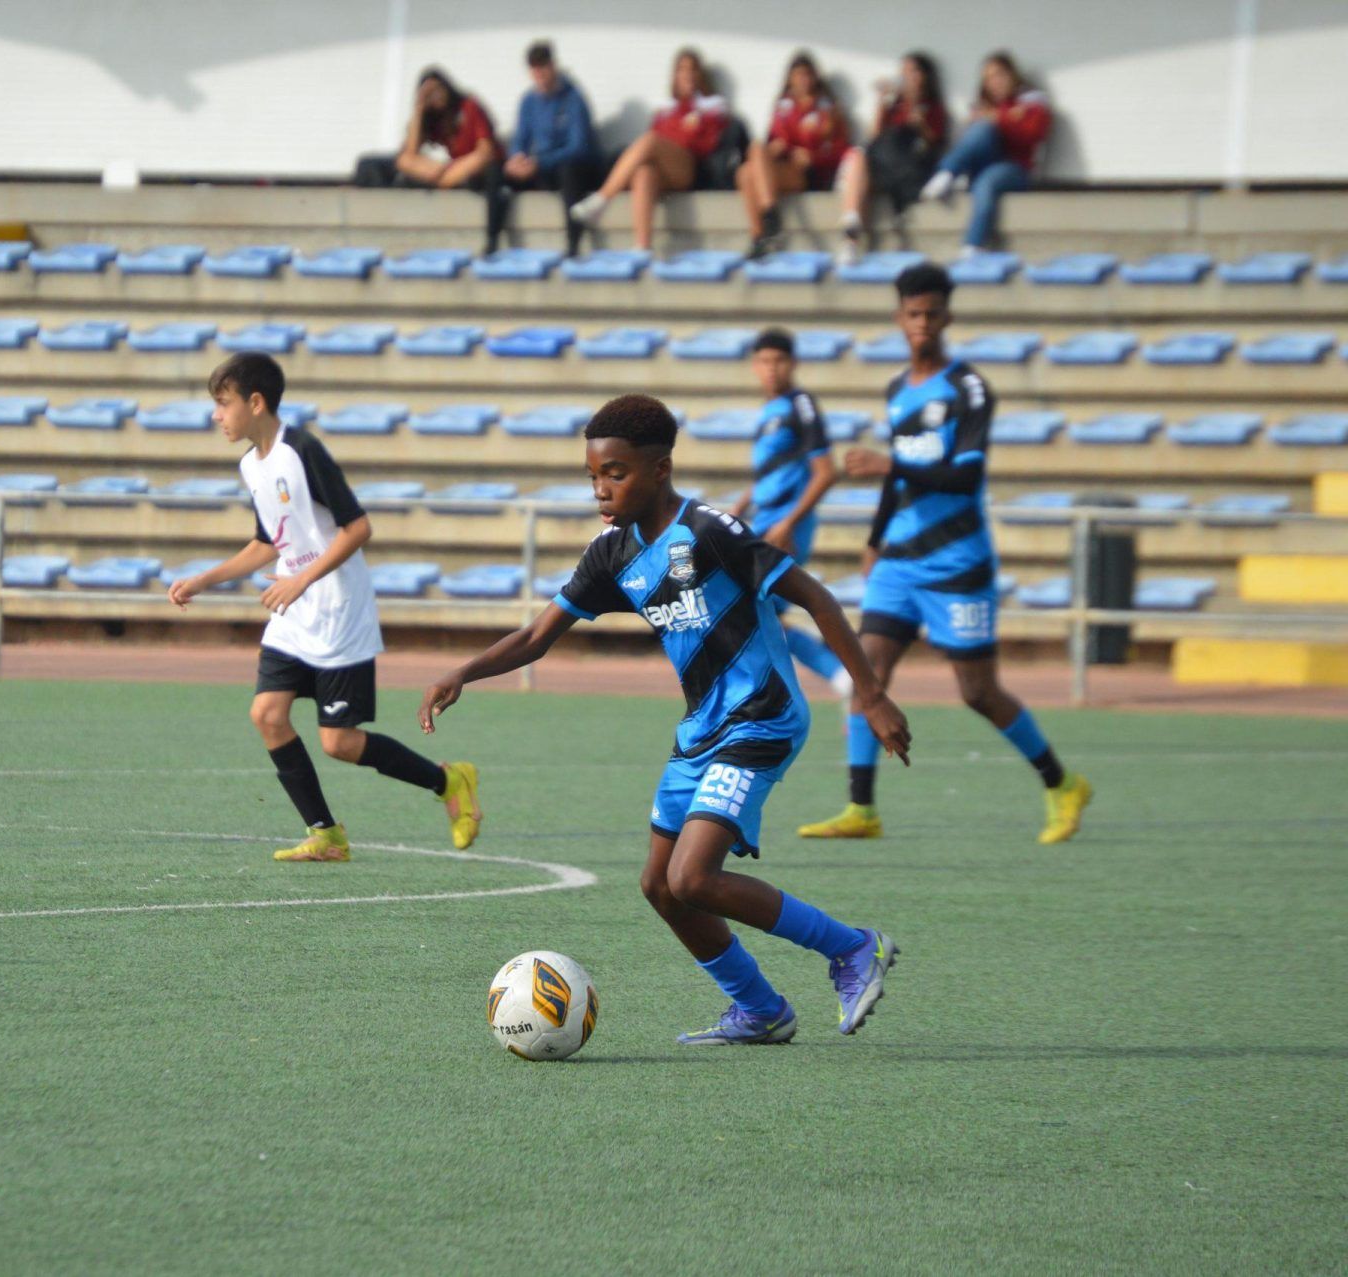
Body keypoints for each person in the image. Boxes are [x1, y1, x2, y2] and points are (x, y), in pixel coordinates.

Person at [419, 394, 911, 1046]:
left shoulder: (710, 531)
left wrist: (871, 695)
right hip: (701, 729)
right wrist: (464, 672)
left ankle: (852, 948)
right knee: (660, 885)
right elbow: (539, 635)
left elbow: (814, 595)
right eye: (593, 474)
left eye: (615, 472)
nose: (601, 488)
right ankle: (761, 1009)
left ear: (660, 468)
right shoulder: (612, 552)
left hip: (762, 716)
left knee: (692, 876)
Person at [799, 263, 1092, 845]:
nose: (923, 325)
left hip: (958, 564)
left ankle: (1062, 783)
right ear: (899, 318)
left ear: (948, 317)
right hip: (900, 563)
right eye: (913, 315)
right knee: (868, 672)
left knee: (976, 691)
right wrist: (875, 540)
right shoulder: (896, 390)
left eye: (933, 314)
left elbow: (965, 477)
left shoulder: (969, 389)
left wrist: (890, 464)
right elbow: (897, 480)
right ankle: (862, 807)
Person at [168, 353, 483, 862]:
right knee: (267, 714)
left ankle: (449, 781)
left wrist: (301, 580)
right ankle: (326, 833)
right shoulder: (251, 464)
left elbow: (358, 528)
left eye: (222, 404)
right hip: (294, 612)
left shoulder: (303, 450)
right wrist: (205, 579)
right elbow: (268, 542)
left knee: (339, 742)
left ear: (256, 402)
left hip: (339, 610)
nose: (215, 415)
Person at [729, 328, 851, 699]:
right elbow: (772, 473)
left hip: (785, 527)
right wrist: (741, 505)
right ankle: (839, 678)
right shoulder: (769, 412)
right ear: (755, 366)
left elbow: (826, 471)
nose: (772, 369)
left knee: (752, 610)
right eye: (765, 361)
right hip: (766, 522)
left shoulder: (801, 405)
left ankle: (839, 678)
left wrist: (788, 522)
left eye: (779, 361)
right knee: (758, 612)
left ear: (793, 363)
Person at [568, 49, 741, 251]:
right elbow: (661, 140)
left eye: (692, 69)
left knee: (650, 141)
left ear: (700, 75)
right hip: (667, 167)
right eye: (682, 70)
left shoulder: (712, 105)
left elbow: (704, 143)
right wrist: (681, 130)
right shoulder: (666, 109)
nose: (688, 75)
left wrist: (680, 133)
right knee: (644, 172)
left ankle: (602, 198)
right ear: (675, 76)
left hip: (693, 167)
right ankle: (642, 246)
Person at [916, 52, 1051, 254]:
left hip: (1016, 167)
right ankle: (946, 174)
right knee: (981, 129)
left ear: (1012, 75)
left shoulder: (1032, 101)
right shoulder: (984, 106)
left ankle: (972, 245)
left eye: (999, 75)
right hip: (983, 163)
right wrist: (981, 121)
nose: (994, 82)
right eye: (988, 78)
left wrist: (999, 118)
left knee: (986, 181)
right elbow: (968, 143)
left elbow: (1032, 135)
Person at [485, 40, 601, 258]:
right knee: (496, 170)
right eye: (535, 70)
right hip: (539, 168)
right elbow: (521, 138)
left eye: (543, 68)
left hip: (568, 167)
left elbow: (578, 147)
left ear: (553, 66)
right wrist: (517, 159)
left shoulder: (574, 98)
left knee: (570, 170)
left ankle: (573, 244)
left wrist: (540, 163)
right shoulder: (528, 101)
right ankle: (491, 240)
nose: (540, 75)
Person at [833, 52, 949, 262]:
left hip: (910, 170)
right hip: (884, 165)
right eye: (903, 71)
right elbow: (874, 138)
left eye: (912, 71)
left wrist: (920, 121)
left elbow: (935, 143)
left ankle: (852, 230)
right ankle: (851, 230)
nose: (906, 77)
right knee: (858, 156)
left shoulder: (933, 107)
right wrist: (881, 103)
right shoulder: (894, 105)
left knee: (858, 164)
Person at [739, 51, 851, 259]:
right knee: (747, 167)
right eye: (798, 75)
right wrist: (782, 150)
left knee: (752, 164)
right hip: (784, 167)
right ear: (790, 79)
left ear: (815, 77)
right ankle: (761, 232)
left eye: (807, 74)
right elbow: (778, 141)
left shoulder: (828, 109)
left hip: (810, 173)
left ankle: (768, 224)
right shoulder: (783, 107)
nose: (803, 80)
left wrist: (812, 155)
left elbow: (840, 149)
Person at [354, 68, 503, 193]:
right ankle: (441, 177)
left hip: (479, 166)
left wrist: (450, 172)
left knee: (477, 159)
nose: (435, 95)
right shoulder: (433, 118)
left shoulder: (468, 106)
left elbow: (486, 151)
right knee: (403, 160)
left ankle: (442, 178)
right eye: (429, 94)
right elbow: (410, 154)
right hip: (448, 170)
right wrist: (419, 108)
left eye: (438, 89)